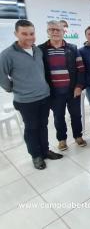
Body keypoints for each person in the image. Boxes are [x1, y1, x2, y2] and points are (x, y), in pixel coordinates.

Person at [0, 20, 63, 170]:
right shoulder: (7, 54)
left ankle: (45, 150)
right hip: (26, 100)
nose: (29, 37)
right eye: (24, 34)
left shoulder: (38, 50)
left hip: (44, 96)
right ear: (16, 34)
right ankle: (36, 155)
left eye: (32, 33)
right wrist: (13, 89)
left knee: (43, 126)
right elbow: (2, 77)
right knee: (31, 128)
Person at [39, 20, 86, 151]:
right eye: (51, 29)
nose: (54, 32)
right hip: (54, 93)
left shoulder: (73, 48)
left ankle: (78, 136)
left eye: (57, 30)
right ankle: (62, 139)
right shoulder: (40, 50)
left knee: (76, 115)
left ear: (63, 31)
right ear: (47, 32)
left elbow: (81, 68)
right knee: (58, 117)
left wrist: (79, 86)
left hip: (72, 91)